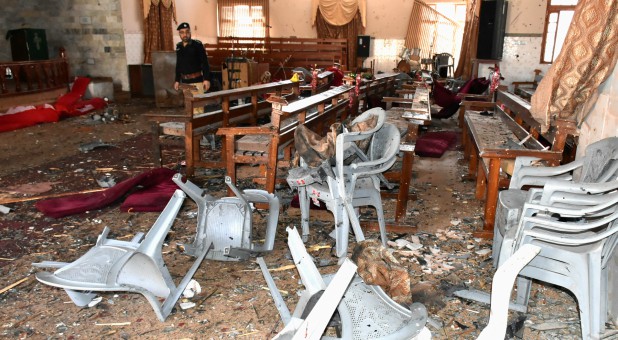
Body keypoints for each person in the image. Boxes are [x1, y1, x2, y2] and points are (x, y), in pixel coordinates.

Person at [174, 22, 211, 113]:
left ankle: (199, 126)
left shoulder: (197, 45)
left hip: (196, 81)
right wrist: (177, 80)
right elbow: (178, 64)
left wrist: (206, 79)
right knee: (189, 108)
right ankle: (191, 127)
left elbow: (205, 63)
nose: (185, 34)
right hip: (185, 82)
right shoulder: (179, 47)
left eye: (187, 32)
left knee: (198, 109)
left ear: (190, 32)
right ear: (179, 34)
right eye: (182, 32)